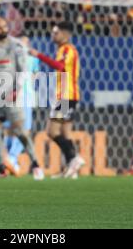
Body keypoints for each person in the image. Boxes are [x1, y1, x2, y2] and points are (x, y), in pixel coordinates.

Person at [0, 17, 44, 181]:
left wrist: (16, 90)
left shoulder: (16, 46)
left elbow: (23, 70)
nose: (2, 29)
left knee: (19, 131)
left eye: (4, 26)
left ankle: (36, 164)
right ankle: (0, 168)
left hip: (13, 96)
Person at [29, 21, 85, 178]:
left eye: (56, 32)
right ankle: (71, 169)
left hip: (66, 96)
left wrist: (38, 55)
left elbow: (59, 66)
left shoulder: (67, 49)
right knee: (66, 134)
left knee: (51, 132)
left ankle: (74, 158)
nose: (52, 35)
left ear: (65, 34)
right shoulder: (63, 49)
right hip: (69, 95)